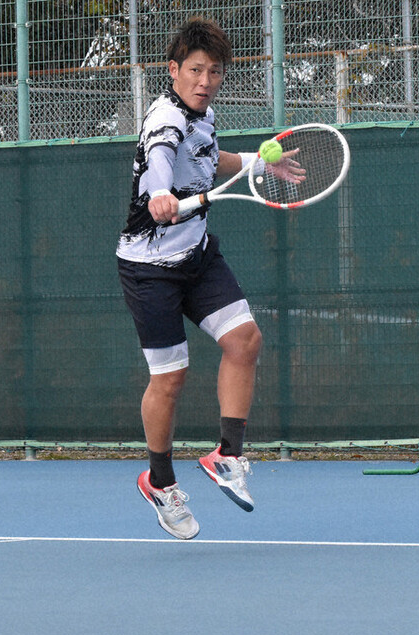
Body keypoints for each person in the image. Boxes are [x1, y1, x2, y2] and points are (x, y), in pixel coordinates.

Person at [117, 18, 301, 539]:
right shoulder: (163, 119)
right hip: (148, 269)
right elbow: (159, 156)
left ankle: (227, 456)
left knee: (245, 341)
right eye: (195, 70)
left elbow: (205, 156)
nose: (205, 80)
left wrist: (257, 165)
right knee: (171, 378)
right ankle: (160, 482)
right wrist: (157, 193)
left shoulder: (204, 115)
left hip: (196, 257)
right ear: (174, 71)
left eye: (214, 72)